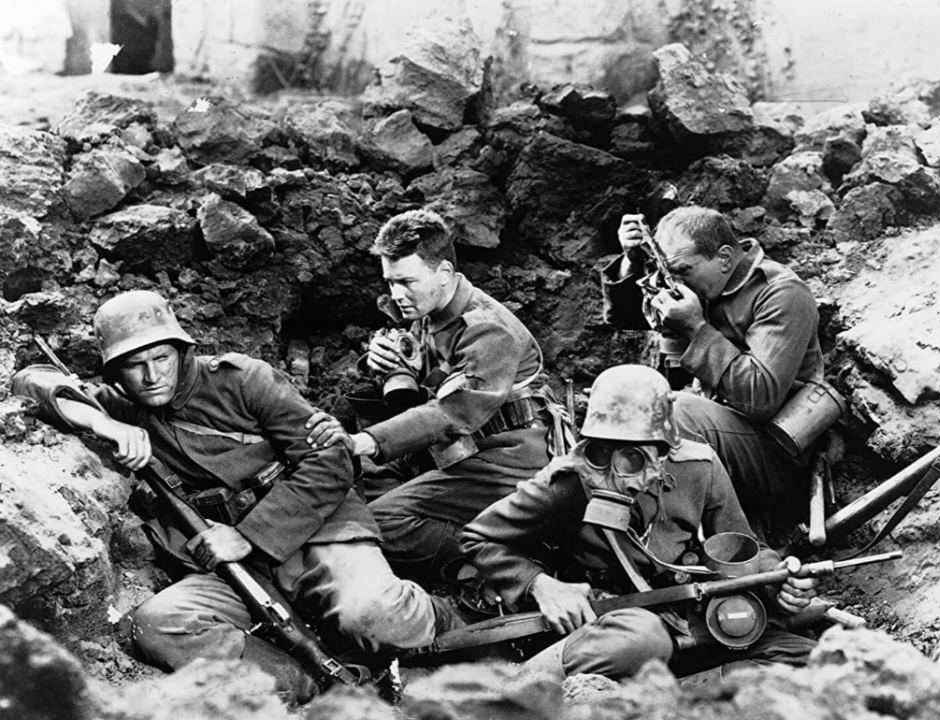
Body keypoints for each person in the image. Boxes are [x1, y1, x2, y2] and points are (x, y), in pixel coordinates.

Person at [11, 290, 462, 705]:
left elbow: (331, 461)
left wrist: (249, 535)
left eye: (161, 357)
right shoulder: (123, 406)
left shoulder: (243, 379)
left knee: (377, 616)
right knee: (158, 624)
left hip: (319, 534)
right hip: (234, 570)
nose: (151, 376)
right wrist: (103, 423)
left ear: (181, 351)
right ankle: (311, 685)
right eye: (134, 365)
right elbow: (30, 379)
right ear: (116, 372)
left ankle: (449, 616)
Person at [460, 365, 818, 683]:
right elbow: (479, 537)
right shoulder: (568, 482)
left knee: (807, 658)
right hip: (612, 623)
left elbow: (741, 548)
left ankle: (679, 696)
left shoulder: (700, 468)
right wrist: (540, 586)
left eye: (635, 457)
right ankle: (520, 687)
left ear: (664, 450)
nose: (617, 474)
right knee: (642, 641)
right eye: (602, 452)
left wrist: (777, 581)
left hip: (686, 613)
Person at [309, 208, 565, 587]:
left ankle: (493, 562)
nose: (396, 295)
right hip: (456, 449)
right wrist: (382, 361)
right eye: (390, 282)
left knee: (379, 523)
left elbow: (454, 413)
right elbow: (424, 381)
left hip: (507, 460)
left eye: (407, 282)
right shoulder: (429, 309)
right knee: (349, 480)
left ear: (444, 272)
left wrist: (368, 441)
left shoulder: (488, 329)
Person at [600, 206, 826, 532]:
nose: (676, 284)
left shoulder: (782, 293)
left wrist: (696, 327)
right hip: (721, 435)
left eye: (683, 270)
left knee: (677, 410)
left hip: (776, 456)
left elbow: (760, 399)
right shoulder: (706, 281)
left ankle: (734, 543)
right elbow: (624, 319)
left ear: (723, 258)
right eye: (669, 272)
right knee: (623, 395)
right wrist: (632, 261)